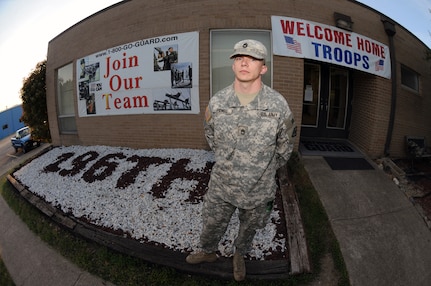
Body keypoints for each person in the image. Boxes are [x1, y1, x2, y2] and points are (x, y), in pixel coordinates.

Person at [186, 39, 296, 281]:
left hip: (258, 189)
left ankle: (239, 254)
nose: (244, 62)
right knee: (212, 223)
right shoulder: (218, 102)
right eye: (238, 58)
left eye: (253, 58)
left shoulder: (278, 106)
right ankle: (207, 252)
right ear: (233, 66)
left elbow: (285, 147)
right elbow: (211, 136)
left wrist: (262, 170)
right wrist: (230, 162)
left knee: (250, 228)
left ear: (263, 68)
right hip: (222, 184)